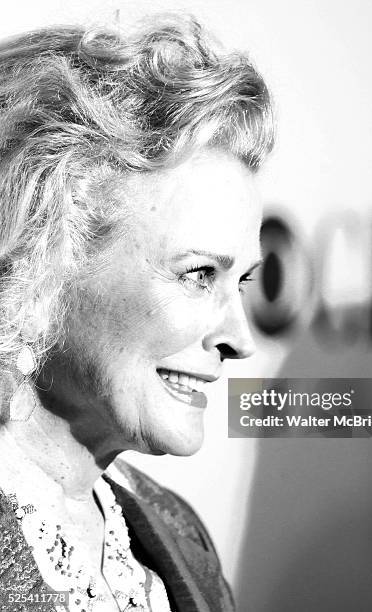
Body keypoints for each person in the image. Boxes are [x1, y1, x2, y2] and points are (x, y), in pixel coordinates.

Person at [0, 13, 274, 612]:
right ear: (41, 262)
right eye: (199, 275)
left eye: (243, 282)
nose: (240, 338)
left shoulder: (179, 535)